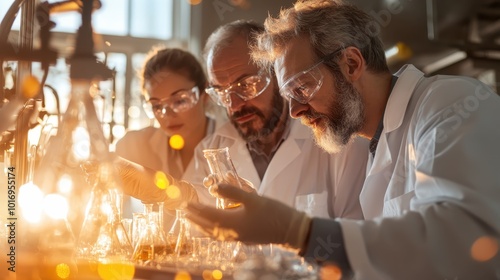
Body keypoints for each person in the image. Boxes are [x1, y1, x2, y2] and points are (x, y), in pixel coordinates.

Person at [185, 1, 500, 279]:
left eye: (301, 88)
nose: (294, 111)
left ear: (351, 64)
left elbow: (463, 242)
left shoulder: (451, 103)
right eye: (287, 95)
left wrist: (300, 232)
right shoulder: (375, 143)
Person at [182, 20, 369, 219]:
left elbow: (355, 240)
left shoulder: (338, 140)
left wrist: (265, 222)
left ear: (277, 72)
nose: (234, 105)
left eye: (246, 85)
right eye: (222, 92)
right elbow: (194, 236)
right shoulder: (209, 152)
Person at [114, 47, 224, 218]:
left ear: (204, 94)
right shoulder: (134, 145)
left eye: (180, 100)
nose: (168, 115)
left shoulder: (235, 144)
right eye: (157, 106)